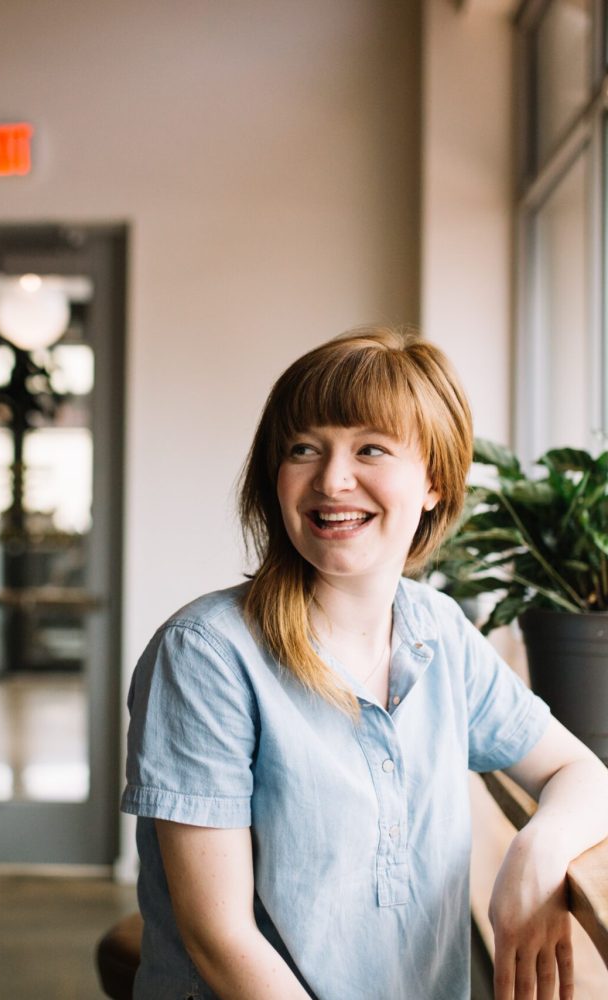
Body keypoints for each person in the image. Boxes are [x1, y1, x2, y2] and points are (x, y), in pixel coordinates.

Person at [121, 327, 608, 1000]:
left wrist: (537, 850)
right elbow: (220, 938)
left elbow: (580, 771)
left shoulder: (439, 630)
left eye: (370, 448)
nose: (331, 479)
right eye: (303, 449)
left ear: (435, 482)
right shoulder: (206, 654)